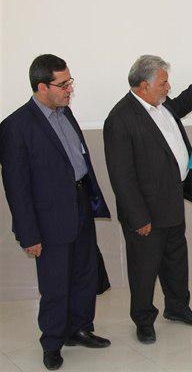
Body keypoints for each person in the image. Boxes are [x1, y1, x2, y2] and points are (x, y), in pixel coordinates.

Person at [0, 54, 111, 370]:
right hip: (48, 219)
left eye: (69, 82)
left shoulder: (66, 113)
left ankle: (79, 328)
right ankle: (52, 342)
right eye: (63, 84)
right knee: (55, 283)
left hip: (80, 205)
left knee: (84, 274)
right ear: (41, 87)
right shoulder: (15, 127)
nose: (69, 89)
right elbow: (16, 188)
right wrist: (28, 234)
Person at [103, 55, 192, 344]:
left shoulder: (163, 106)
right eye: (163, 83)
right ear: (143, 85)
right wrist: (138, 218)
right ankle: (143, 320)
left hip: (172, 202)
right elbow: (122, 177)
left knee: (176, 261)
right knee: (144, 268)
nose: (168, 87)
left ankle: (177, 307)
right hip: (146, 213)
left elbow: (187, 100)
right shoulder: (120, 119)